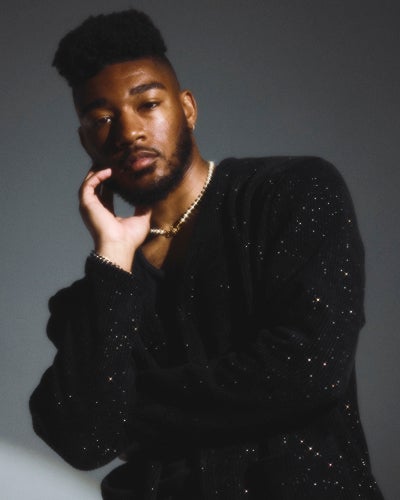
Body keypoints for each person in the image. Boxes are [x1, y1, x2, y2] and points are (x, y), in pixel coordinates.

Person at [29, 8, 384, 500]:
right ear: (85, 140)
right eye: (101, 119)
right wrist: (112, 261)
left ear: (187, 108)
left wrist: (127, 405)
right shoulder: (97, 295)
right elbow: (85, 437)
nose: (128, 132)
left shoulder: (292, 194)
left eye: (147, 104)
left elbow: (310, 369)